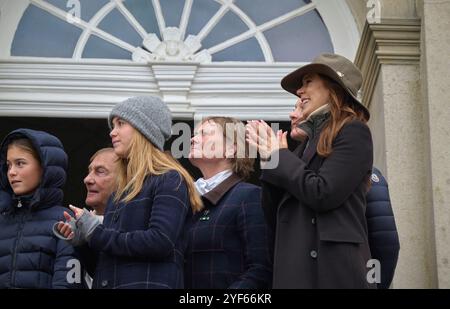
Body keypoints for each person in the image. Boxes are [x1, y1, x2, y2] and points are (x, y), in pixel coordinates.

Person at [246, 53, 375, 288]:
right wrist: (270, 159)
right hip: (296, 270)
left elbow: (323, 193)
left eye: (307, 82)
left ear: (333, 87)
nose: (299, 91)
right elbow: (275, 214)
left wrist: (279, 156)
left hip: (333, 273)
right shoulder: (304, 145)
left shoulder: (354, 131)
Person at [55, 96, 202, 289]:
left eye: (120, 124)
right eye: (113, 126)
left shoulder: (170, 179)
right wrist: (82, 241)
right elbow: (104, 267)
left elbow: (160, 241)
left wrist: (96, 233)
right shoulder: (120, 192)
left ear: (144, 130)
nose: (112, 133)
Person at [290, 101, 400, 289]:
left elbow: (385, 243)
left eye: (301, 108)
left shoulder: (360, 174)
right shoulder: (294, 172)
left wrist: (374, 283)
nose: (292, 115)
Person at [184, 116, 272, 289]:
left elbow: (260, 269)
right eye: (195, 134)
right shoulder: (182, 198)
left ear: (232, 149)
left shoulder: (249, 197)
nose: (193, 139)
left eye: (204, 134)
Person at [0, 129, 81, 289]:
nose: (12, 172)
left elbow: (67, 284)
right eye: (8, 165)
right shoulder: (2, 221)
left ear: (44, 167)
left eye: (20, 163)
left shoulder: (66, 219)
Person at [84, 147, 119, 217]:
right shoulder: (75, 226)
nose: (87, 179)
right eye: (89, 172)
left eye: (100, 171)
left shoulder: (137, 226)